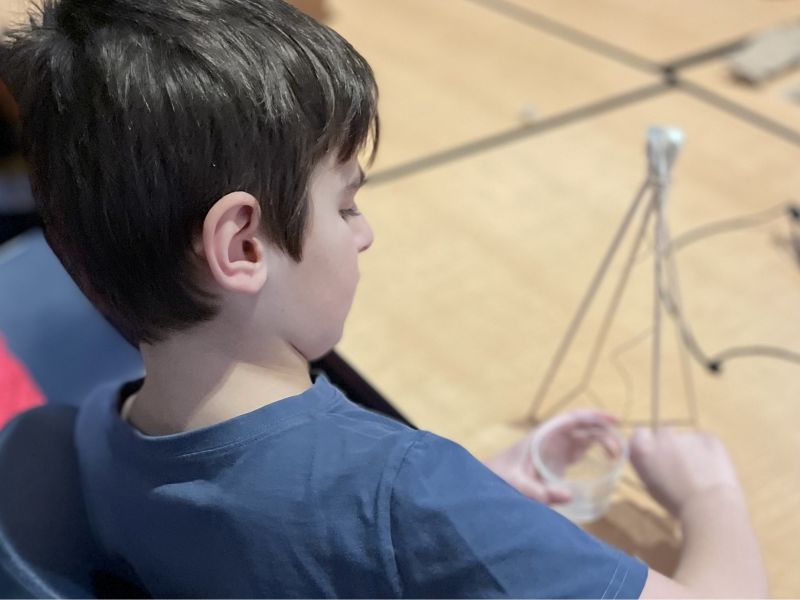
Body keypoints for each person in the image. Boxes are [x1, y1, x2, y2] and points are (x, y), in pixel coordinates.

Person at [0, 0, 766, 597]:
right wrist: (708, 497)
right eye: (346, 204)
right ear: (240, 245)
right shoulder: (409, 496)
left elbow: (336, 527)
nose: (363, 235)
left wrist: (478, 497)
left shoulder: (103, 429)